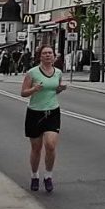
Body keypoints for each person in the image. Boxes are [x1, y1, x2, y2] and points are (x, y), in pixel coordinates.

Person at [22, 45, 67, 193]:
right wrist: (34, 89)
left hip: (52, 112)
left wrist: (60, 89)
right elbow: (23, 93)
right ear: (40, 56)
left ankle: (48, 176)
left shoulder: (58, 73)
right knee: (36, 148)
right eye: (45, 53)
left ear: (54, 56)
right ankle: (34, 176)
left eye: (50, 53)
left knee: (51, 145)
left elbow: (54, 91)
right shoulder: (32, 73)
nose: (48, 55)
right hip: (35, 113)